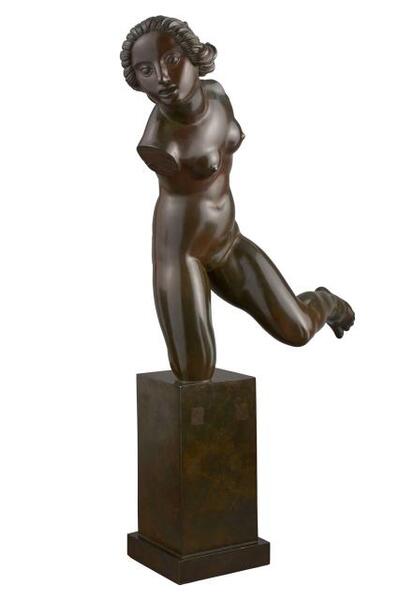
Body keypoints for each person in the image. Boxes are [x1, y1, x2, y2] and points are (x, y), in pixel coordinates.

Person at [120, 15, 355, 383]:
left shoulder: (216, 93)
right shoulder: (159, 143)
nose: (162, 78)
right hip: (181, 256)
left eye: (171, 60)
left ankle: (327, 301)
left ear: (193, 55)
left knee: (297, 330)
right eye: (146, 70)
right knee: (195, 373)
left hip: (228, 240)